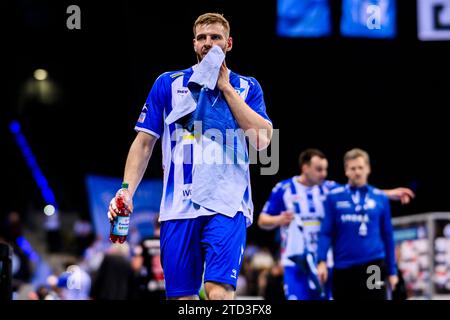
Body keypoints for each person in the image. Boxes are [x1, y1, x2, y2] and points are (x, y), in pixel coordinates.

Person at [108, 13, 272, 300]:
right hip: (177, 207)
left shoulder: (248, 87)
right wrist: (126, 191)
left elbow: (262, 141)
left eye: (216, 37)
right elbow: (144, 143)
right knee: (183, 299)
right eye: (202, 38)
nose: (208, 43)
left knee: (218, 293)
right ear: (194, 44)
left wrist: (224, 87)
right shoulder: (167, 83)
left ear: (229, 43)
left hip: (228, 203)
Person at [258, 148, 414, 300]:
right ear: (305, 168)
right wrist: (279, 220)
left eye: (325, 169)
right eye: (319, 169)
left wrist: (390, 193)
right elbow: (262, 221)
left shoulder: (328, 188)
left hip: (327, 262)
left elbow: (359, 191)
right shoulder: (283, 188)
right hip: (296, 260)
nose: (324, 174)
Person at [317, 148, 399, 300]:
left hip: (373, 265)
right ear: (346, 171)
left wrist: (392, 271)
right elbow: (326, 232)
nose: (357, 172)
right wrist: (321, 261)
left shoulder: (381, 198)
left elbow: (388, 236)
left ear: (368, 169)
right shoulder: (333, 197)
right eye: (353, 168)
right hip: (343, 267)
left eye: (360, 167)